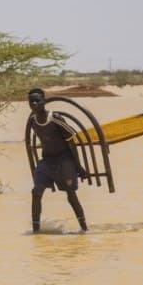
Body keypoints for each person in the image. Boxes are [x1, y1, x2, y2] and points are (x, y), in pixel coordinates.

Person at [27, 88, 88, 233]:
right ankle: (36, 231)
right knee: (36, 192)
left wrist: (78, 166)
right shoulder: (32, 120)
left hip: (64, 159)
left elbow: (72, 141)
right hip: (47, 161)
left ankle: (84, 228)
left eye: (38, 100)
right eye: (31, 101)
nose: (34, 103)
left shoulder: (55, 118)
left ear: (44, 101)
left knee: (71, 195)